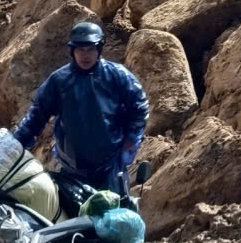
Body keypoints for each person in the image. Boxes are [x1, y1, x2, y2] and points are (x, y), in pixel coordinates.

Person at [11, 20, 149, 210]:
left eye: (90, 49)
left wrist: (131, 139)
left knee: (114, 218)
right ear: (72, 51)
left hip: (110, 167)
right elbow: (35, 118)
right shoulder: (59, 81)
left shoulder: (118, 76)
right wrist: (14, 147)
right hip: (71, 169)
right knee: (71, 218)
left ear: (99, 50)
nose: (85, 55)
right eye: (80, 49)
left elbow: (139, 107)